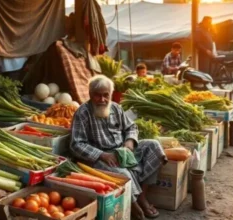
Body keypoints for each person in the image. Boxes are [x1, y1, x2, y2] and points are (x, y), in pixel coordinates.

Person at [70, 75, 167, 220]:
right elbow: (76, 144)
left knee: (153, 146)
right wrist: (102, 155)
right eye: (97, 95)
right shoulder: (82, 113)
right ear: (90, 94)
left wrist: (129, 142)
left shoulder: (116, 108)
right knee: (124, 174)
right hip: (102, 156)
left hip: (123, 150)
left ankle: (142, 197)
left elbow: (131, 127)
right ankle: (136, 207)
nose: (102, 100)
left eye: (105, 95)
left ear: (110, 94)